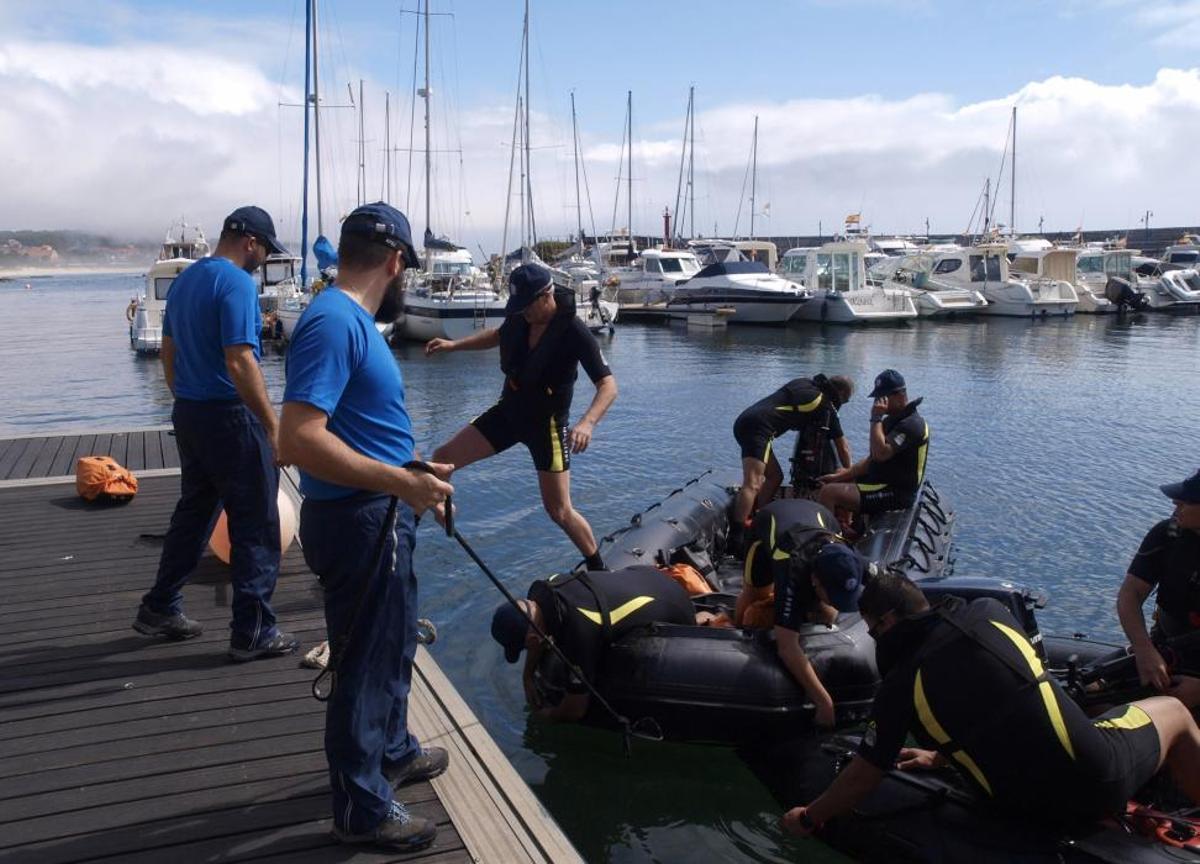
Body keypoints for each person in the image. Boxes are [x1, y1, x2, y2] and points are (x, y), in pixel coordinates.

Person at [277, 202, 454, 853]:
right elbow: (296, 439)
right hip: (359, 523)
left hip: (379, 515)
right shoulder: (333, 321)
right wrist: (399, 483)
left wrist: (413, 472)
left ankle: (394, 751)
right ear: (396, 260)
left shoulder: (346, 319)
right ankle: (359, 806)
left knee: (394, 642)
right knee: (365, 665)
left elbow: (355, 428)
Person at [782, 571, 1200, 838]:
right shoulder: (989, 613)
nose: (874, 638)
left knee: (1157, 712)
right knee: (1175, 711)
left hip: (1018, 807)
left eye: (872, 629)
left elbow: (864, 775)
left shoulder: (899, 686)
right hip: (1097, 777)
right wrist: (938, 757)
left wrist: (808, 817)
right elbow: (1014, 699)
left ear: (888, 622)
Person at [133, 205, 298, 662]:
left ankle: (160, 605)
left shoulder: (185, 280)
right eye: (264, 250)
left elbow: (169, 349)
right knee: (257, 522)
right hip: (230, 415)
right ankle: (254, 631)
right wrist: (272, 425)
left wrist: (184, 396)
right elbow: (241, 360)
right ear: (249, 242)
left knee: (196, 511)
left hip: (190, 411)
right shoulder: (237, 284)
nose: (264, 260)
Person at [426, 263, 618, 570]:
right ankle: (436, 512)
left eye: (527, 305)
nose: (522, 312)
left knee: (559, 510)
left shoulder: (574, 331)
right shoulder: (521, 316)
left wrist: (587, 423)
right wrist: (453, 345)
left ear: (547, 295)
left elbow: (608, 385)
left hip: (547, 427)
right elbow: (497, 336)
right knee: (442, 458)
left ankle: (598, 568)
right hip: (510, 413)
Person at [490, 565, 697, 722]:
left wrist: (546, 715)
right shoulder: (545, 589)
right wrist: (527, 676)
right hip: (651, 575)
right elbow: (535, 635)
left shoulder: (578, 631)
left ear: (532, 640)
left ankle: (706, 618)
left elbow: (575, 709)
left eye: (524, 648)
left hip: (679, 608)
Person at [734, 499, 865, 727]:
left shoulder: (848, 558)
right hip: (772, 526)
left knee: (828, 614)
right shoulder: (791, 569)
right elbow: (787, 647)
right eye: (832, 595)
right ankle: (735, 628)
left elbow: (886, 588)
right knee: (752, 603)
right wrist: (824, 703)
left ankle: (809, 608)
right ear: (814, 581)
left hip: (821, 519)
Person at [729, 374, 853, 550]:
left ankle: (760, 518)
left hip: (746, 419)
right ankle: (737, 537)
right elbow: (843, 448)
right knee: (753, 483)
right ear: (840, 393)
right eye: (845, 400)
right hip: (759, 429)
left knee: (775, 476)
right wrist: (850, 472)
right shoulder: (826, 406)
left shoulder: (804, 383)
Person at [1117, 468, 1200, 706]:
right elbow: (1130, 594)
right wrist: (1143, 650)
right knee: (1087, 693)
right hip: (1165, 651)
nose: (1175, 510)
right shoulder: (1167, 534)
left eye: (1184, 504)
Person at [818, 369, 929, 517]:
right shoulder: (892, 420)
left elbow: (880, 455)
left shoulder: (912, 425)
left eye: (883, 397)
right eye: (877, 398)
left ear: (899, 395)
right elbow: (871, 460)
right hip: (880, 482)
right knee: (839, 475)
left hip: (896, 493)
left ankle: (828, 538)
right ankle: (846, 527)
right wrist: (839, 476)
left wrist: (876, 418)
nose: (878, 402)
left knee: (828, 493)